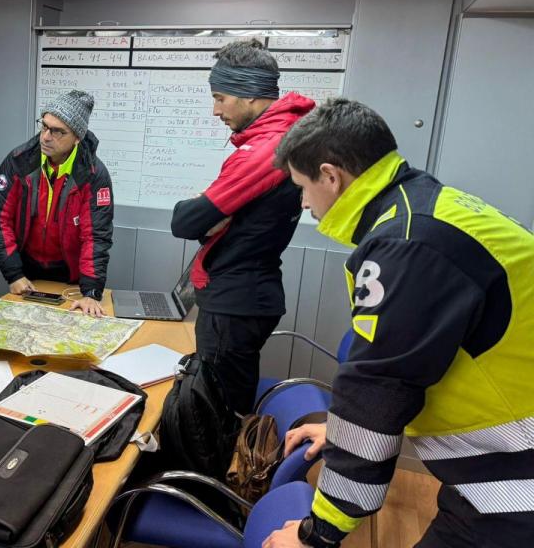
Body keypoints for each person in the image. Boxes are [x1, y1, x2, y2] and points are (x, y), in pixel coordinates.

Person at [264, 98, 534, 548]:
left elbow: (378, 388)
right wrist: (341, 429)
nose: (304, 202)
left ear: (331, 176)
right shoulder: (427, 210)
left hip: (514, 487)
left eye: (302, 186)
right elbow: (418, 359)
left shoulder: (406, 244)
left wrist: (317, 534)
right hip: (496, 474)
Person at [170, 39, 314, 415]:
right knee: (228, 397)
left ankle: (213, 473)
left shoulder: (267, 149)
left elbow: (186, 221)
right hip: (247, 292)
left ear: (250, 96)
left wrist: (206, 209)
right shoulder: (286, 136)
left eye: (220, 98)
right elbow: (206, 223)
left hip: (237, 297)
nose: (215, 110)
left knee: (216, 410)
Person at [0, 89, 113, 317]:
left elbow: (96, 235)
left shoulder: (93, 175)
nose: (45, 136)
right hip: (27, 270)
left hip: (69, 274)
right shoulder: (19, 161)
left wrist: (91, 292)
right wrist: (13, 274)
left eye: (57, 131)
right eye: (44, 126)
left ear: (77, 137)